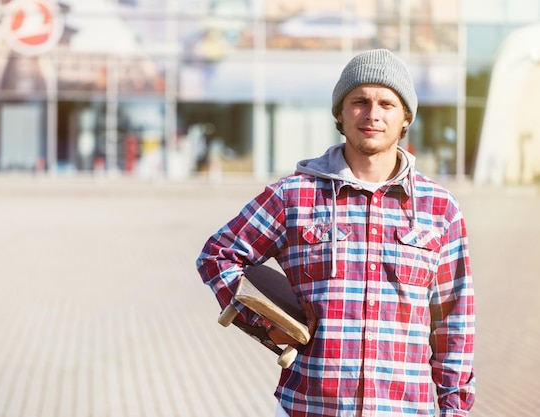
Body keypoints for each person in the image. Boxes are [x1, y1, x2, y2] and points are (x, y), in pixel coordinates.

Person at [196, 49, 475, 417]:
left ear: (405, 116)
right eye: (359, 101)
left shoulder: (439, 209)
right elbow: (217, 255)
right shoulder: (293, 196)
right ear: (340, 114)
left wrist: (454, 409)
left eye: (387, 103)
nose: (373, 114)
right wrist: (267, 323)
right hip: (310, 407)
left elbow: (453, 319)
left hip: (406, 409)